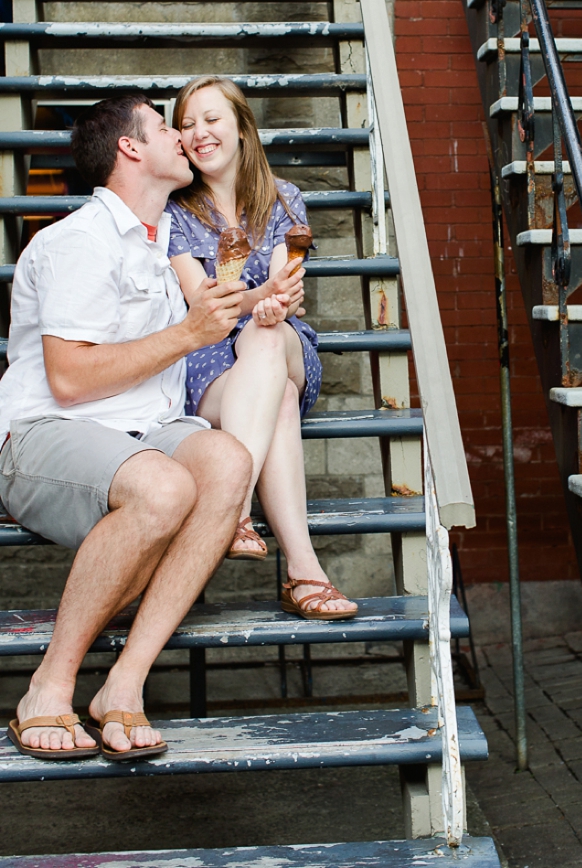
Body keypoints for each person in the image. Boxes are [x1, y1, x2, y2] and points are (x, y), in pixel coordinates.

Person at [0, 94, 253, 761]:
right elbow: (71, 379)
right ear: (130, 148)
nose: (181, 135)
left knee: (227, 462)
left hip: (142, 430)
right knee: (165, 488)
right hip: (45, 433)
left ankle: (124, 682)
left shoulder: (163, 240)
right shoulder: (81, 241)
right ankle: (48, 689)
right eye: (165, 126)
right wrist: (191, 333)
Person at [166, 76, 357, 620]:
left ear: (243, 128)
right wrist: (262, 301)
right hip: (208, 361)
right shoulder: (174, 212)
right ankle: (304, 572)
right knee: (271, 388)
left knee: (269, 334)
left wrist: (267, 304)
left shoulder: (284, 198)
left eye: (211, 119)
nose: (198, 133)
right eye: (186, 124)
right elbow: (202, 304)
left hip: (282, 339)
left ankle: (234, 505)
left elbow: (285, 288)